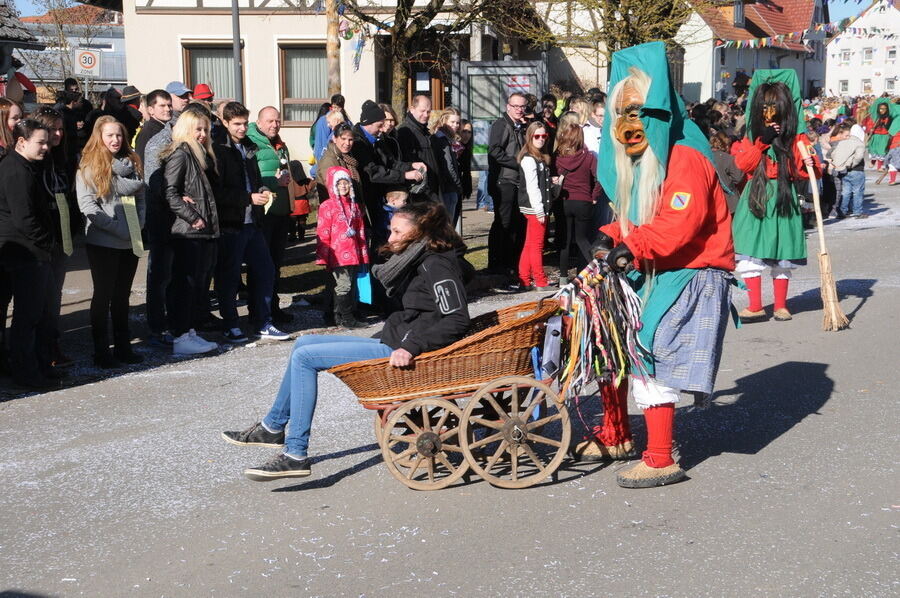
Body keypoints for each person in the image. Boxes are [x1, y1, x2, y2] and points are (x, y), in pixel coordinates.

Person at [575, 42, 736, 489]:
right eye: (620, 114)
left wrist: (631, 247)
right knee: (610, 341)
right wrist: (607, 241)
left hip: (688, 272)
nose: (629, 125)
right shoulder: (641, 162)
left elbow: (676, 227)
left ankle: (661, 457)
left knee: (649, 353)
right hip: (651, 267)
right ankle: (616, 433)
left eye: (638, 112)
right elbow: (636, 220)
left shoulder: (685, 158)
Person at [222, 201, 471, 481]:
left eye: (397, 232)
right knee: (302, 345)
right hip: (396, 339)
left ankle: (295, 454)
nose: (390, 238)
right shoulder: (419, 258)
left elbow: (457, 318)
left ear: (419, 232)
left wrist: (410, 347)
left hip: (402, 348)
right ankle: (272, 427)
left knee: (306, 358)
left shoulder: (436, 264)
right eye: (391, 231)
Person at [731, 70, 821, 323]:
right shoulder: (752, 136)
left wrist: (809, 161)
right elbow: (744, 165)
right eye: (765, 106)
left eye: (775, 106)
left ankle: (781, 306)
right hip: (757, 197)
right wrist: (762, 143)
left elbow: (806, 172)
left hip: (783, 197)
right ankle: (755, 305)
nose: (770, 112)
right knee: (751, 249)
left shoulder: (796, 137)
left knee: (782, 250)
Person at [211, 101, 289, 344]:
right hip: (231, 223)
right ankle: (231, 324)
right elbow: (215, 192)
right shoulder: (218, 149)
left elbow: (253, 179)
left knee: (265, 270)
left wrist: (262, 188)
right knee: (230, 276)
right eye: (237, 124)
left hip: (252, 221)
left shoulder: (249, 147)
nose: (243, 128)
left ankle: (263, 322)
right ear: (224, 122)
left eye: (245, 123)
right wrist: (247, 197)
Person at [76, 116, 146, 368]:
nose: (115, 140)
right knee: (103, 295)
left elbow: (140, 197)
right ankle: (101, 350)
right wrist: (119, 229)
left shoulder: (132, 164)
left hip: (130, 240)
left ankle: (124, 347)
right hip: (103, 241)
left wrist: (138, 224)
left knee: (122, 296)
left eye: (118, 135)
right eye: (109, 136)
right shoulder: (89, 167)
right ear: (99, 138)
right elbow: (87, 206)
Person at [0, 119, 58, 389]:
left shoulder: (25, 166)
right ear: (21, 142)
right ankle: (27, 373)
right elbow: (24, 218)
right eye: (41, 142)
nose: (46, 146)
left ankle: (30, 368)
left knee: (29, 316)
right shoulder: (16, 170)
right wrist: (46, 243)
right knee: (28, 317)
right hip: (24, 253)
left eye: (47, 141)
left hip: (24, 250)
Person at [160, 109, 221, 355]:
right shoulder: (181, 155)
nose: (203, 134)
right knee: (184, 284)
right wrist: (193, 217)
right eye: (198, 129)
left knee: (194, 283)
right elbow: (170, 192)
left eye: (205, 129)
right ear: (186, 129)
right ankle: (181, 335)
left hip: (199, 230)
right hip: (186, 231)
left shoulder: (198, 155)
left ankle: (188, 331)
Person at [33, 108, 74, 368]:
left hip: (62, 235)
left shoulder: (63, 159)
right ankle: (40, 348)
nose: (58, 134)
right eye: (53, 129)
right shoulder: (35, 161)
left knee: (54, 295)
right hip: (40, 238)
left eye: (61, 129)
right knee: (40, 298)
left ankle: (52, 342)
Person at [247, 106, 295, 324]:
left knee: (276, 264)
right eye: (270, 121)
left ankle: (273, 308)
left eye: (277, 121)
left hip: (281, 211)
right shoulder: (252, 143)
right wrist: (274, 182)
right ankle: (258, 311)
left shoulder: (279, 143)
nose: (274, 125)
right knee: (261, 265)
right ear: (259, 123)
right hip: (263, 214)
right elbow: (251, 179)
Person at [349, 100, 421, 230]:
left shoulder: (377, 139)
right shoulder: (358, 143)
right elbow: (374, 173)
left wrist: (411, 166)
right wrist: (404, 175)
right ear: (368, 123)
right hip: (365, 197)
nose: (383, 129)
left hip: (377, 194)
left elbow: (391, 163)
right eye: (380, 125)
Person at [316, 166, 370, 328]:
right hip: (337, 253)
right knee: (343, 284)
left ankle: (339, 315)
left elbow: (360, 231)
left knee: (351, 284)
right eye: (339, 184)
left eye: (346, 183)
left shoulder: (355, 206)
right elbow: (323, 232)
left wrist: (363, 252)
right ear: (333, 186)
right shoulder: (327, 206)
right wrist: (323, 255)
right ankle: (347, 318)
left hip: (353, 252)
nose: (344, 187)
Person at [554, 123, 600, 285]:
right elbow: (598, 178)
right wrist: (594, 196)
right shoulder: (589, 157)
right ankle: (594, 272)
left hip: (564, 202)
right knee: (582, 239)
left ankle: (563, 278)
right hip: (583, 201)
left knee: (565, 241)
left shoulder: (558, 159)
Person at [487, 92, 527, 275]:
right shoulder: (501, 124)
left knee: (516, 223)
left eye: (522, 106)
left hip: (517, 181)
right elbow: (494, 151)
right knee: (502, 223)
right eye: (516, 106)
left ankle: (511, 263)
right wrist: (517, 163)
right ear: (508, 106)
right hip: (504, 181)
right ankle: (496, 264)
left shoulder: (521, 126)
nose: (519, 110)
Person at [515, 122, 553, 291]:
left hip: (536, 206)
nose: (540, 139)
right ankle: (540, 280)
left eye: (543, 136)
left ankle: (524, 278)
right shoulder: (529, 159)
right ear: (530, 137)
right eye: (536, 136)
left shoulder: (538, 156)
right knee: (536, 245)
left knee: (530, 244)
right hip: (534, 206)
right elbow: (532, 187)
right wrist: (539, 210)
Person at [396, 94, 441, 203]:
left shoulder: (424, 130)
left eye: (429, 111)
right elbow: (406, 162)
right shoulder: (405, 131)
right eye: (422, 111)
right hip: (420, 193)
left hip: (431, 190)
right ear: (412, 109)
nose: (426, 115)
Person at [314, 122, 360, 206]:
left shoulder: (348, 157)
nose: (347, 143)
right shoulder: (329, 160)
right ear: (334, 139)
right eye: (343, 138)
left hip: (349, 206)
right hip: (336, 209)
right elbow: (333, 190)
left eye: (350, 139)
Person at [430, 107, 464, 225]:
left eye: (457, 123)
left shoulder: (442, 138)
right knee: (448, 226)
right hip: (448, 188)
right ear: (444, 121)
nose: (455, 125)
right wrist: (458, 185)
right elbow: (448, 166)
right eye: (452, 122)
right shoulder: (442, 140)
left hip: (446, 187)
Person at [829, 122, 866, 218]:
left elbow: (833, 154)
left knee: (846, 192)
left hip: (844, 171)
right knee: (857, 191)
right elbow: (859, 157)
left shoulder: (842, 142)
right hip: (857, 170)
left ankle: (842, 211)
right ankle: (857, 212)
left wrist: (842, 164)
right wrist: (851, 164)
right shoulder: (860, 144)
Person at [709, 130, 744, 213]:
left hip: (713, 202)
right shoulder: (727, 158)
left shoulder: (705, 156)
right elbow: (738, 178)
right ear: (726, 144)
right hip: (730, 201)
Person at [134, 90, 172, 164]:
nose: (168, 109)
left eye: (169, 105)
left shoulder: (167, 128)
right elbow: (141, 161)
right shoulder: (147, 132)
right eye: (162, 106)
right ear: (151, 110)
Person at [862, 98, 897, 170]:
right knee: (875, 151)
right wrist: (871, 128)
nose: (883, 110)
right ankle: (873, 161)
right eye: (881, 108)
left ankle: (879, 166)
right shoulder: (874, 117)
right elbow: (869, 125)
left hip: (884, 136)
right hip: (876, 136)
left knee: (882, 151)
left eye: (884, 109)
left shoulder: (888, 117)